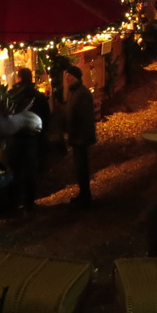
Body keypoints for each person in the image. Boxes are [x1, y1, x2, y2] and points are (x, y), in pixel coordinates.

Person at [7, 68, 50, 211]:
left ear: (18, 78)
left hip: (15, 138)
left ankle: (15, 202)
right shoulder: (38, 96)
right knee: (29, 171)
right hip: (32, 138)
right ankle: (29, 202)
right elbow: (46, 116)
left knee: (15, 170)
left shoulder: (12, 96)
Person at [64, 64, 96, 206]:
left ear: (75, 77)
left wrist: (75, 132)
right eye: (66, 76)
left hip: (80, 136)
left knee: (82, 166)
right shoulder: (74, 92)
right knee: (80, 166)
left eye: (70, 76)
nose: (67, 79)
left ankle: (85, 195)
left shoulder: (81, 93)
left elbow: (82, 117)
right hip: (77, 135)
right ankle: (83, 193)